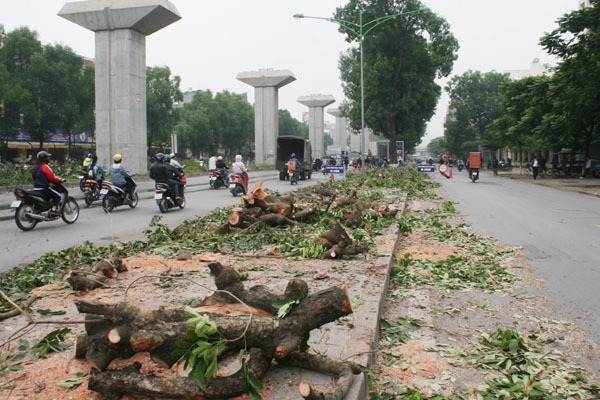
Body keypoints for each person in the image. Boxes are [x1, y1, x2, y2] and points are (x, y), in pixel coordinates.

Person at [32, 151, 65, 216]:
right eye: (47, 157)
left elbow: (33, 177)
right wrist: (61, 180)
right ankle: (53, 210)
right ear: (44, 159)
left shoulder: (35, 167)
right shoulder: (45, 167)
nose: (49, 159)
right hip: (44, 188)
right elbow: (52, 178)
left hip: (36, 188)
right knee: (58, 196)